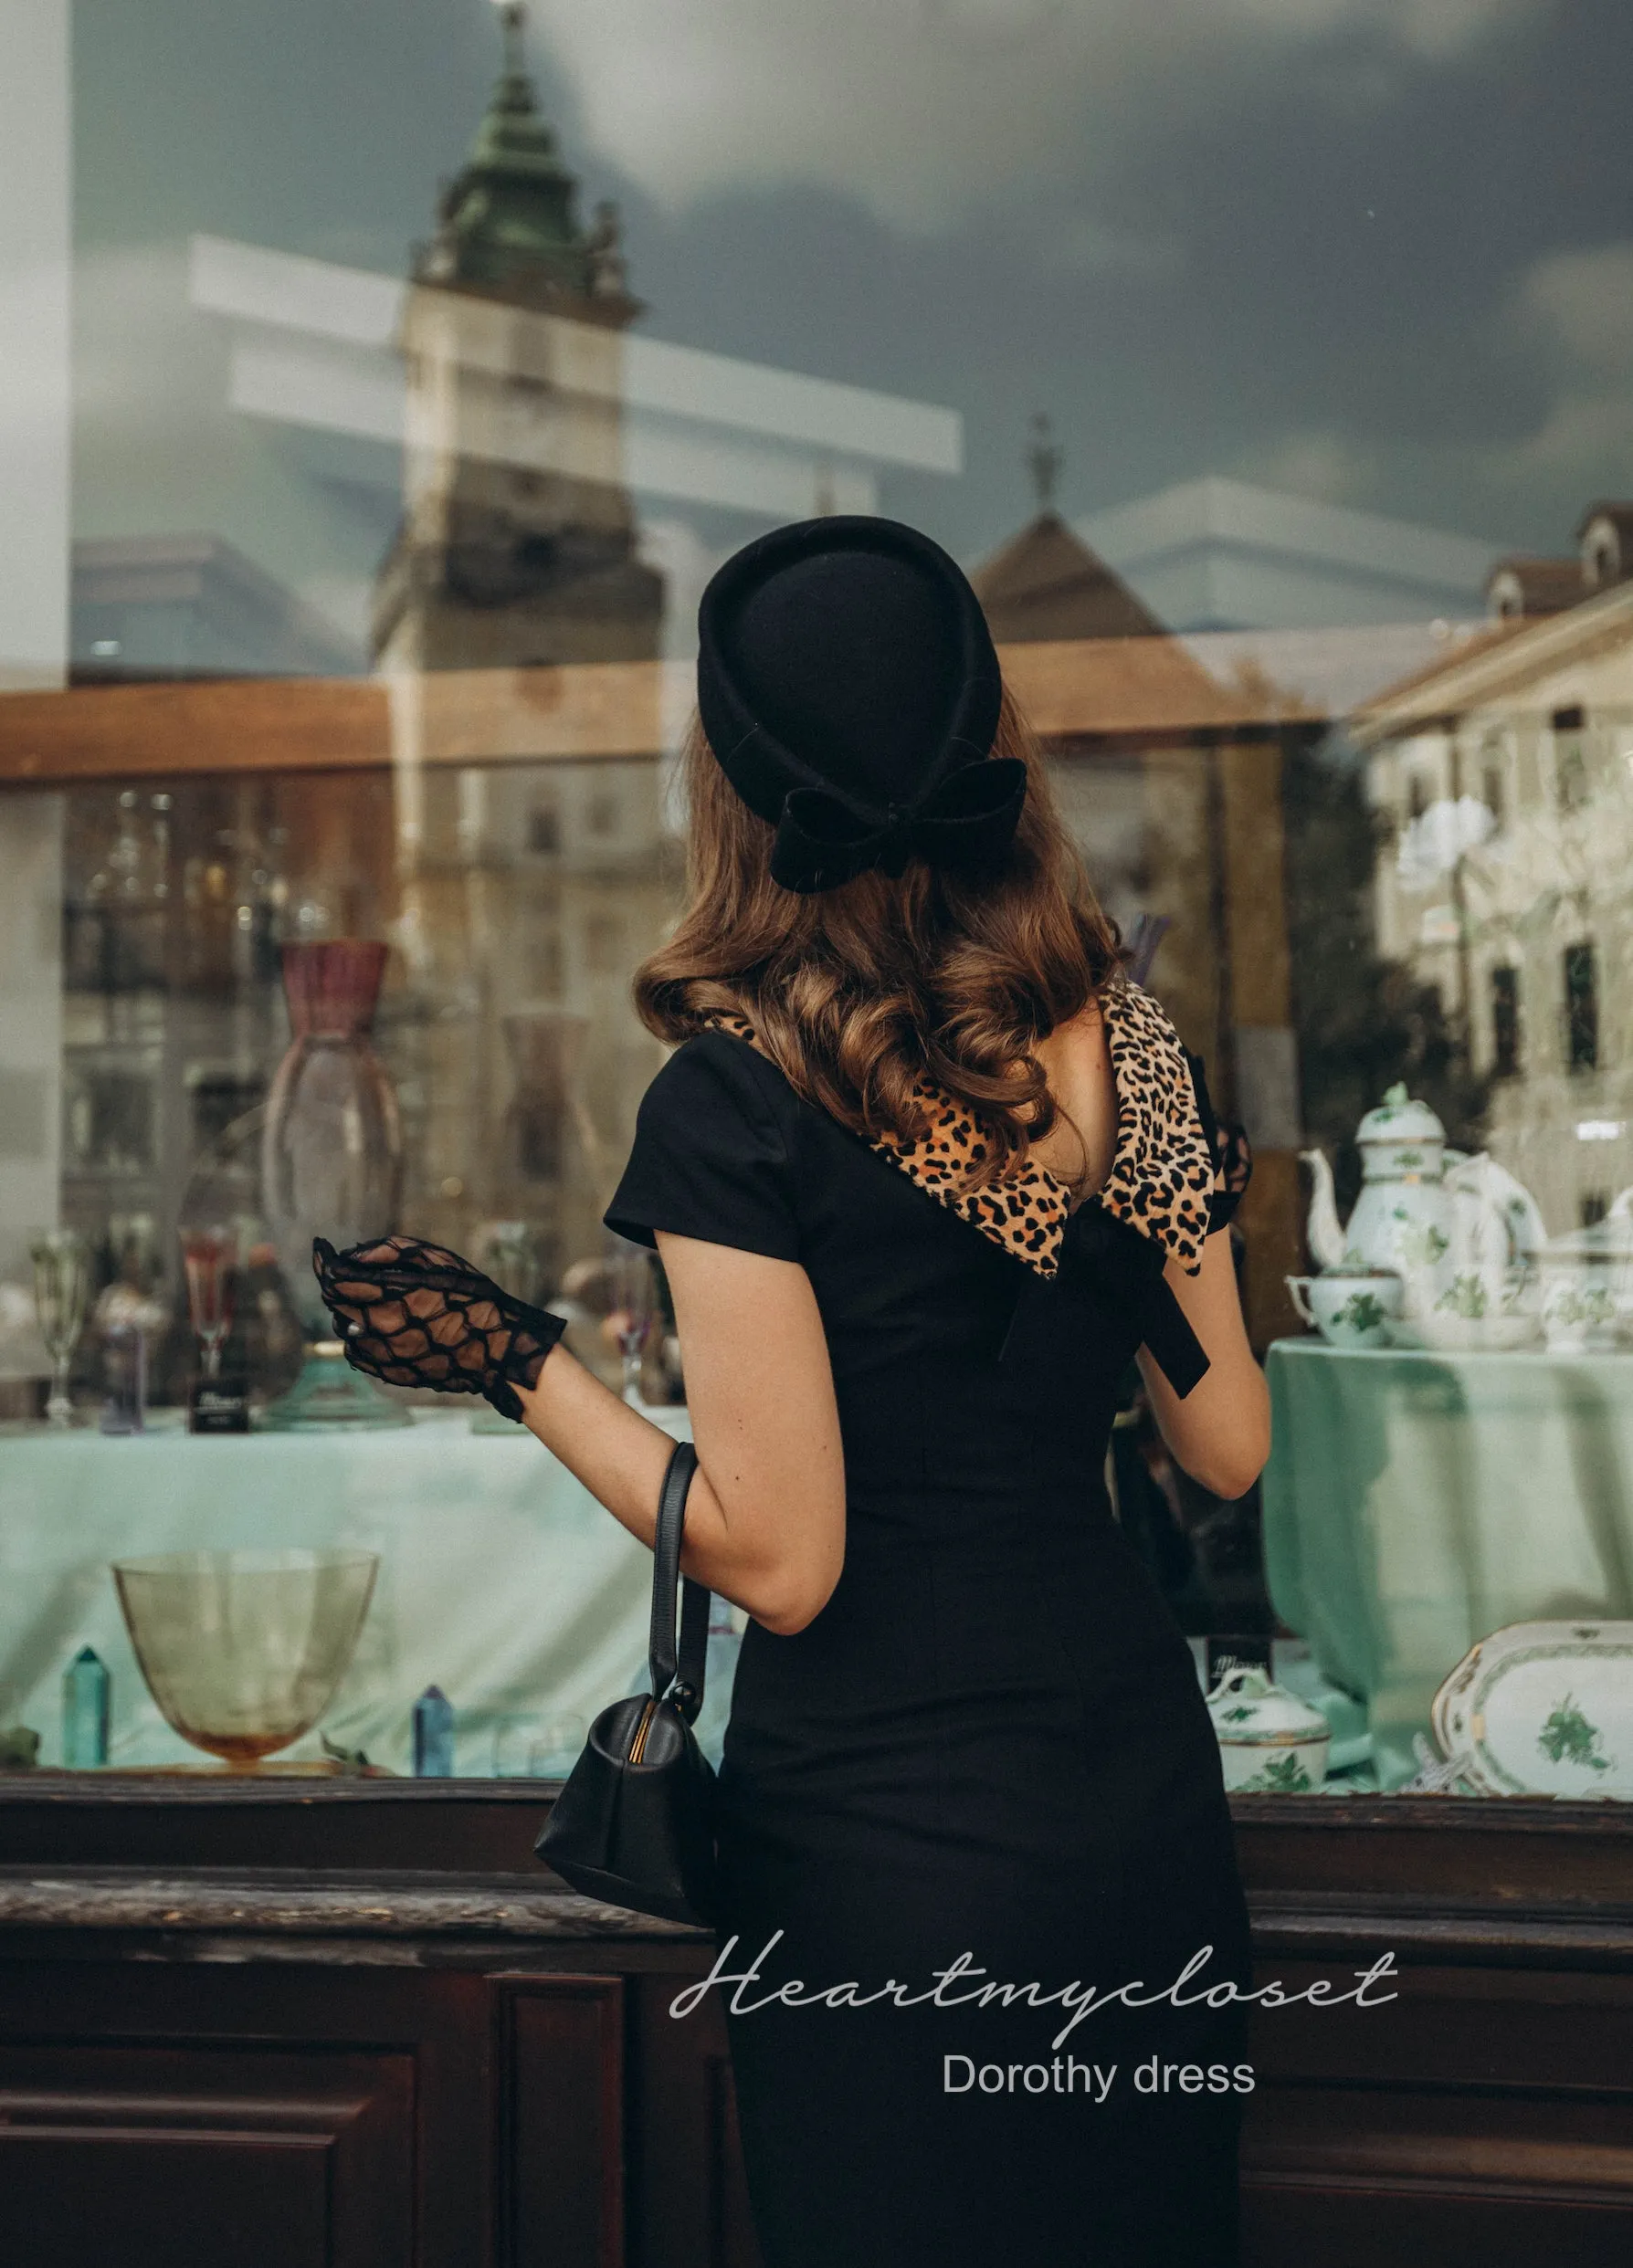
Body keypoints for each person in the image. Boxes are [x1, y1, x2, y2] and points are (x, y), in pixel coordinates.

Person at [314, 515, 1271, 2267]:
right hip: (1134, 1811)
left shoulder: (736, 1102)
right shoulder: (1128, 1040)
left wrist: (519, 1361)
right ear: (990, 741)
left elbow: (784, 1558)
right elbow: (1227, 1444)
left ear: (738, 790)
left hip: (888, 1865)